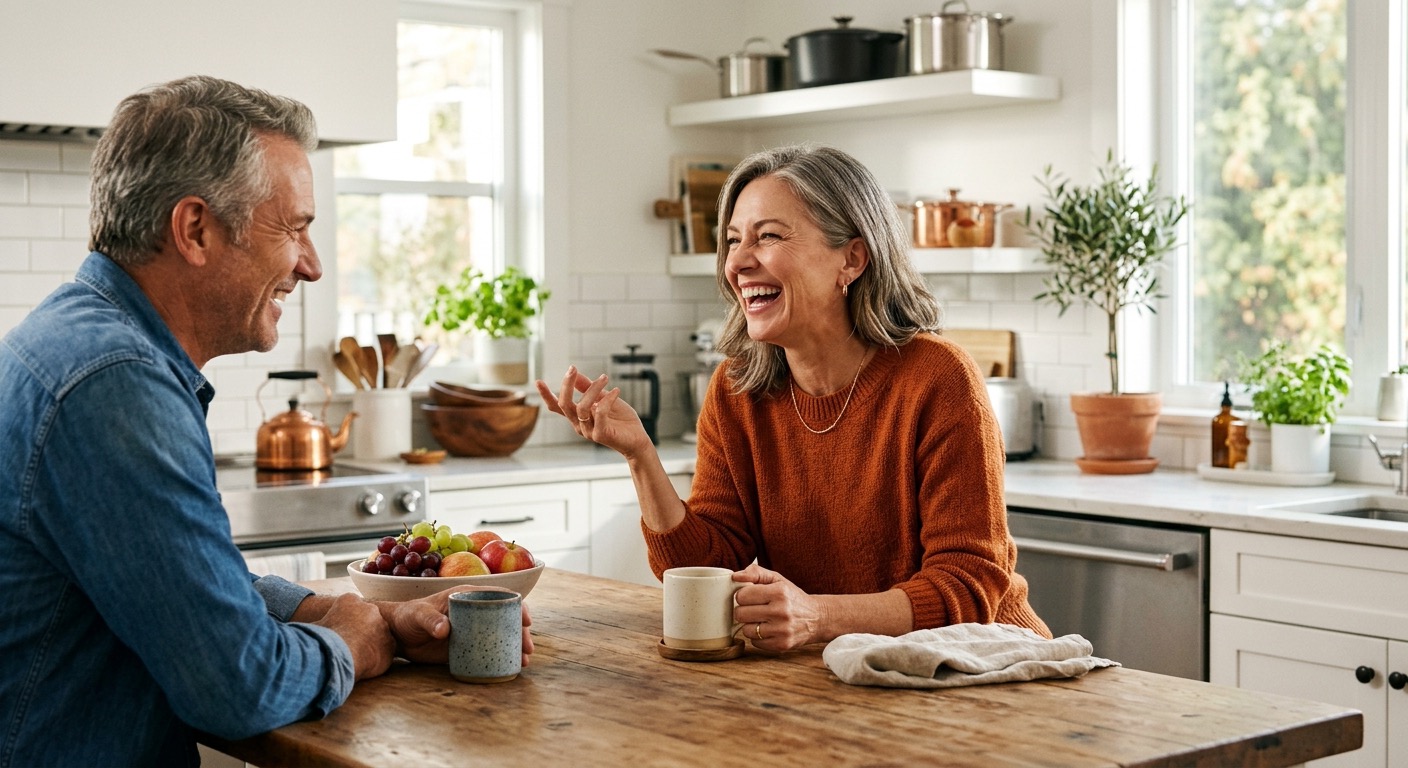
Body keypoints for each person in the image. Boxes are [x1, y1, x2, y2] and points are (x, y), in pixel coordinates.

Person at [0, 76, 530, 767]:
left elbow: (181, 589)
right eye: (296, 228)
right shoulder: (116, 386)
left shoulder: (78, 343)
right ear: (195, 229)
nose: (310, 266)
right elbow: (237, 686)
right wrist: (352, 646)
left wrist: (372, 622)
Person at [539, 144, 1049, 651]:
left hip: (987, 670)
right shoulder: (738, 390)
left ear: (851, 258)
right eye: (733, 240)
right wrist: (640, 455)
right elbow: (708, 571)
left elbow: (969, 585)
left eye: (768, 237)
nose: (737, 262)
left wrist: (818, 616)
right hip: (846, 673)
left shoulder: (938, 378)